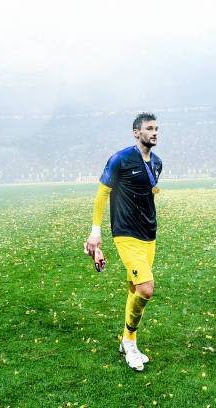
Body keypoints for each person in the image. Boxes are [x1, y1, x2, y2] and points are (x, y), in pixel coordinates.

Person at [84, 112, 163, 371]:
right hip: (125, 234)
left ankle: (127, 340)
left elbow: (147, 195)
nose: (154, 132)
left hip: (149, 235)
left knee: (134, 288)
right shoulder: (119, 159)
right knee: (146, 289)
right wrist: (95, 232)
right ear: (136, 132)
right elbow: (101, 195)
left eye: (156, 129)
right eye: (149, 128)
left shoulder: (158, 163)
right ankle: (129, 342)